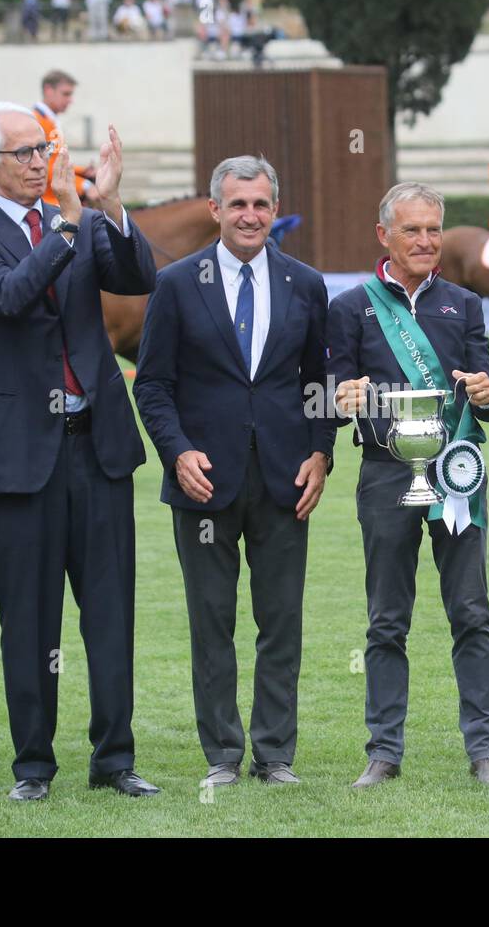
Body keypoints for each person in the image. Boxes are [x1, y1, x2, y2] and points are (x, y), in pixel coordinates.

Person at [0, 104, 159, 801]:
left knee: (110, 612)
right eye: (23, 151)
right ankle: (33, 766)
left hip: (96, 449)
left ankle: (114, 760)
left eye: (43, 148)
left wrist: (111, 202)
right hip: (17, 459)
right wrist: (68, 221)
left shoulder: (83, 221)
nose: (40, 161)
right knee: (28, 620)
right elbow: (6, 297)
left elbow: (135, 277)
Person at [134, 155, 332, 788]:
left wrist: (321, 453)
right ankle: (222, 753)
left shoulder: (306, 284)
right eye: (238, 204)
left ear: (275, 210)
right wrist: (177, 451)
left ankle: (274, 754)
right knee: (211, 622)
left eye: (262, 204)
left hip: (285, 481)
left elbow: (318, 385)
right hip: (203, 482)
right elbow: (153, 386)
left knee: (282, 622)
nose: (251, 215)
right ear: (215, 210)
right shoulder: (175, 284)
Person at [328, 182, 489, 791]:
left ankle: (485, 750)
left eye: (434, 228)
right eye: (413, 230)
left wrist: (487, 393)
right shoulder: (352, 306)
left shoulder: (464, 303)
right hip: (385, 475)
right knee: (386, 621)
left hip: (457, 473)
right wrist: (340, 394)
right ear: (385, 236)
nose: (427, 240)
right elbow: (332, 389)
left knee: (472, 614)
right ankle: (383, 752)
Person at [32, 69, 96, 207]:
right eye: (66, 94)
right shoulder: (38, 124)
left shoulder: (49, 121)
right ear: (48, 90)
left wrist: (82, 171)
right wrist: (84, 185)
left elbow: (54, 162)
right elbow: (43, 167)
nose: (70, 100)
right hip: (48, 204)